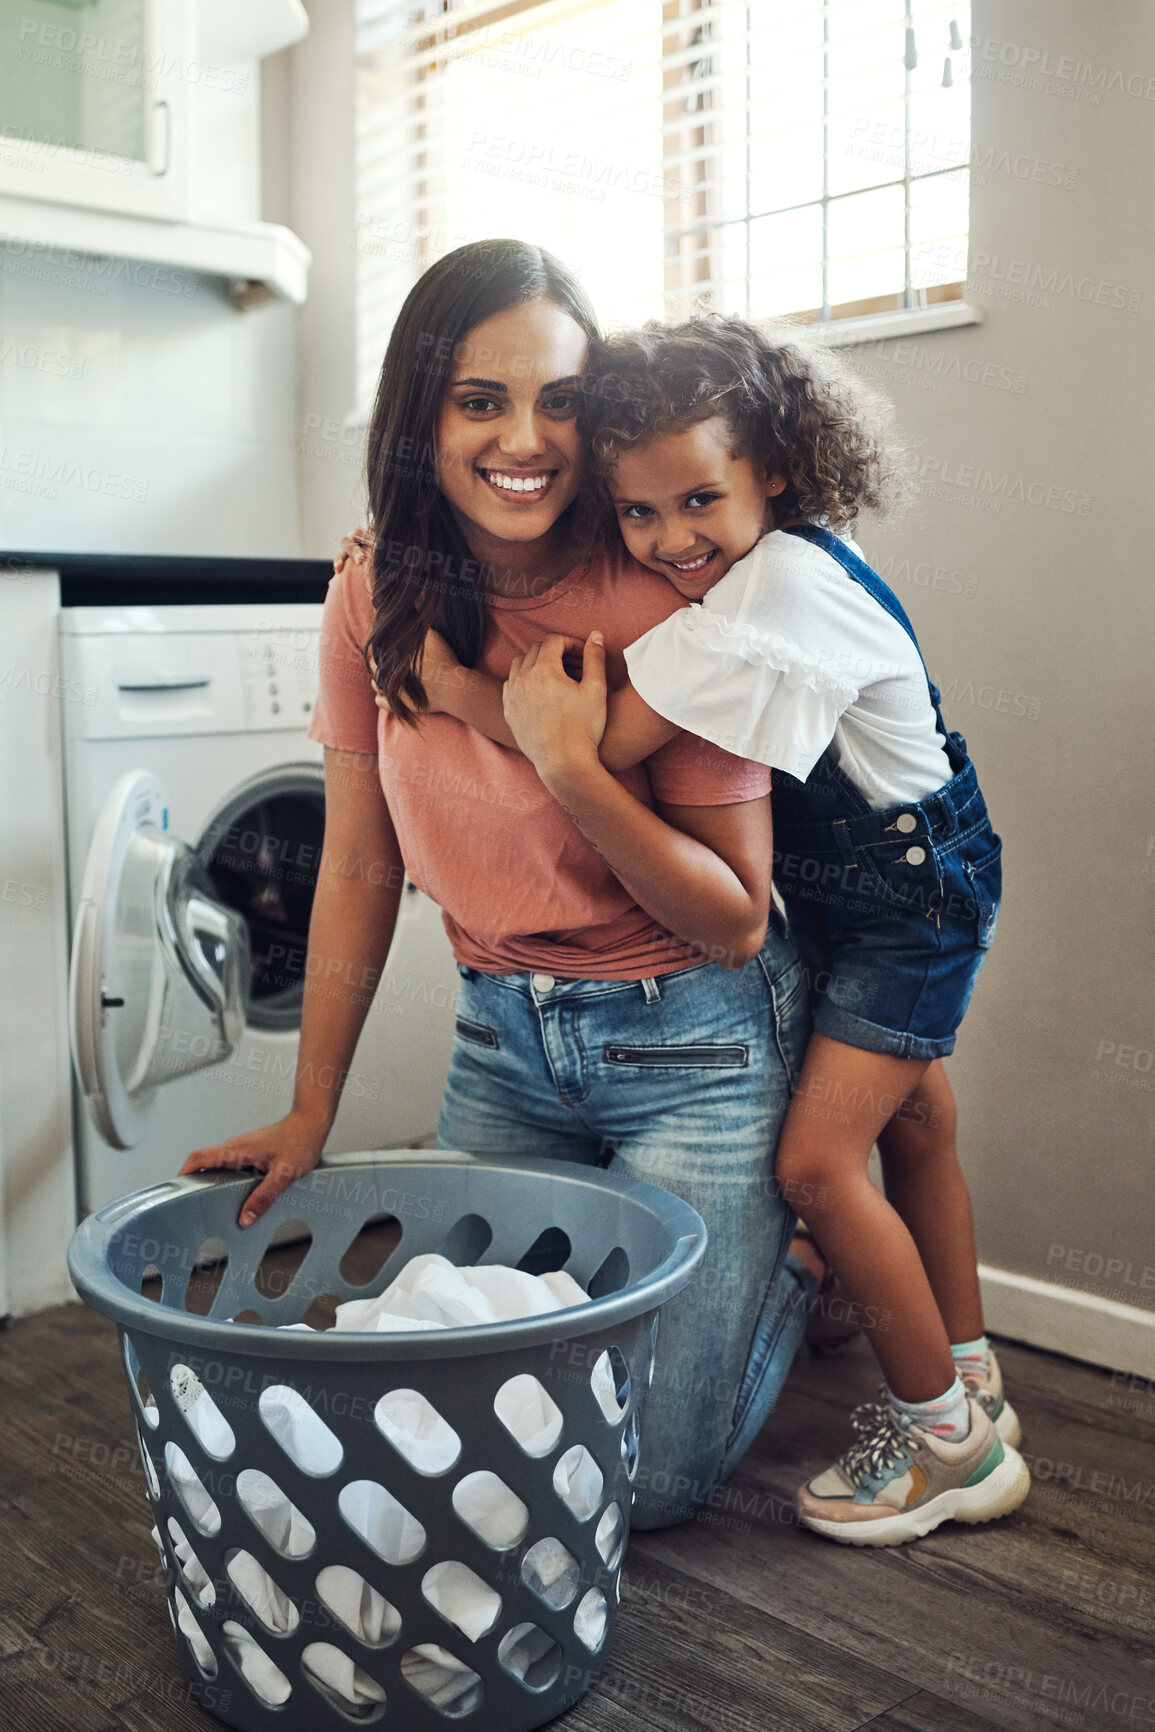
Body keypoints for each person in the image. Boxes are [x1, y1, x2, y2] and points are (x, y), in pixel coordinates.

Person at [179, 242, 814, 1531]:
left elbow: (737, 919)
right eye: (482, 400)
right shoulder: (372, 591)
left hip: (693, 1040)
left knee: (645, 1486)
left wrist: (571, 765)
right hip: (501, 1040)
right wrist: (310, 1111)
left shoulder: (667, 595)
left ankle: (799, 1267)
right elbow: (358, 859)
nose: (525, 439)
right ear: (423, 414)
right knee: (472, 1420)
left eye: (561, 400)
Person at [423, 314, 1031, 1547]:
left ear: (780, 470)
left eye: (698, 499)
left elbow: (598, 739)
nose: (669, 539)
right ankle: (972, 1378)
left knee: (816, 1168)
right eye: (637, 513)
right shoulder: (765, 568)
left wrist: (450, 690)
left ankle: (950, 1445)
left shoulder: (779, 593)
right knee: (918, 1125)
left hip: (907, 906)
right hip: (882, 891)